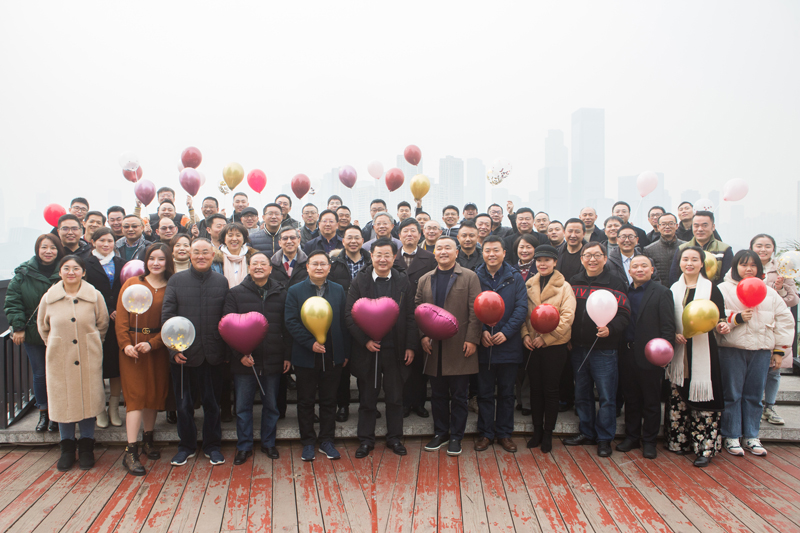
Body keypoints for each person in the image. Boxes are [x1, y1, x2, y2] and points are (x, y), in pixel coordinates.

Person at [717, 250, 794, 457]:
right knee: (732, 394)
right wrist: (736, 318)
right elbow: (716, 316)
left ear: (759, 268)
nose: (748, 269)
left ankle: (751, 435)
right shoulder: (723, 289)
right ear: (735, 267)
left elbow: (785, 321)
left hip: (761, 351)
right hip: (732, 350)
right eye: (743, 264)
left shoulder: (769, 292)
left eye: (753, 265)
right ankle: (731, 435)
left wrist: (779, 351)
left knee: (754, 395)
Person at [346, 239, 417, 458]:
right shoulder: (360, 281)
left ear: (394, 257)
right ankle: (366, 440)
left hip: (395, 349)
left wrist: (410, 346)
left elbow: (410, 316)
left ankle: (394, 438)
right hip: (368, 349)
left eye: (387, 255)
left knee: (395, 398)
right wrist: (365, 340)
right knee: (368, 398)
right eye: (378, 255)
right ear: (372, 256)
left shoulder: (403, 281)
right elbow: (349, 315)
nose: (383, 259)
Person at [162, 238, 229, 466]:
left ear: (213, 255)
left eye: (205, 252)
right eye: (196, 252)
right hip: (183, 353)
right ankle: (186, 446)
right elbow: (167, 316)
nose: (201, 256)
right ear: (189, 255)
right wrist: (172, 349)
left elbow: (226, 317)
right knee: (183, 405)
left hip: (213, 353)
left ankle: (212, 446)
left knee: (212, 404)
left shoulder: (221, 281)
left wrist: (225, 350)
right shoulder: (176, 280)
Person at [38, 255, 109, 471]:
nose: (71, 272)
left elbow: (102, 324)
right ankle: (67, 448)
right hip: (60, 358)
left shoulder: (94, 296)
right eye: (66, 268)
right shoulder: (49, 298)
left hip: (88, 356)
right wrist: (56, 345)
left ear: (83, 272)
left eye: (76, 268)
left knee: (88, 400)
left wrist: (92, 343)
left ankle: (87, 447)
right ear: (60, 272)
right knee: (63, 401)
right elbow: (43, 327)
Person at [416, 237, 482, 456]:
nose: (443, 251)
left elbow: (476, 310)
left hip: (460, 345)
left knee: (460, 395)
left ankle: (456, 436)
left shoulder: (470, 277)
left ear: (456, 252)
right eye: (439, 248)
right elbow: (418, 308)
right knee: (438, 394)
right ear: (434, 253)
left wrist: (472, 339)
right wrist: (423, 335)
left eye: (448, 248)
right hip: (434, 346)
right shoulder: (425, 279)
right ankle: (440, 433)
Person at [564, 242, 630, 457]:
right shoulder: (574, 281)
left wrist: (611, 329)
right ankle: (587, 432)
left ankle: (604, 438)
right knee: (581, 393)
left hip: (605, 350)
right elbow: (568, 312)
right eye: (588, 255)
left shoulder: (616, 282)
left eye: (597, 255)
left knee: (606, 396)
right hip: (578, 348)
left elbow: (625, 314)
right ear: (582, 259)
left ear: (605, 258)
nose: (592, 259)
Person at [223, 252, 291, 464]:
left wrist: (287, 355)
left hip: (273, 359)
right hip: (244, 362)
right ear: (248, 267)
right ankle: (244, 446)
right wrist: (239, 355)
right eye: (255, 263)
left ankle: (268, 443)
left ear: (270, 268)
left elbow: (287, 327)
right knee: (243, 407)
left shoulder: (282, 292)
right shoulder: (235, 293)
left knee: (271, 405)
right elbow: (226, 326)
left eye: (263, 263)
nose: (259, 267)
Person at [664, 246, 729, 467]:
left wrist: (722, 326)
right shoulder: (673, 289)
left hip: (704, 352)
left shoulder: (711, 289)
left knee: (704, 399)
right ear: (679, 263)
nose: (689, 263)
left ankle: (705, 448)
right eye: (685, 259)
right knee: (678, 397)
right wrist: (673, 334)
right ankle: (678, 442)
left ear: (702, 263)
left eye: (694, 259)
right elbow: (668, 319)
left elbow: (720, 317)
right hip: (679, 352)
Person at [284, 250, 350, 462]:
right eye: (315, 264)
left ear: (329, 268)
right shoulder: (295, 290)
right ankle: (307, 442)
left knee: (329, 400)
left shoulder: (338, 290)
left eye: (323, 264)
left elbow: (344, 322)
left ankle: (327, 441)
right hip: (305, 355)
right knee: (305, 401)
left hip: (332, 354)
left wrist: (344, 352)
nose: (319, 267)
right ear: (307, 267)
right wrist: (309, 343)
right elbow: (291, 321)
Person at [115, 243, 174, 475]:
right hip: (133, 348)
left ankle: (148, 438)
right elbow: (121, 319)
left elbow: (172, 321)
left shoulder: (172, 286)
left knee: (154, 393)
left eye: (161, 259)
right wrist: (125, 345)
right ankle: (130, 450)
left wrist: (154, 343)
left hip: (157, 347)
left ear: (167, 261)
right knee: (136, 396)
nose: (156, 263)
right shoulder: (132, 284)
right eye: (151, 258)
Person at [616, 255, 675, 459]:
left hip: (651, 355)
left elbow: (668, 326)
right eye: (635, 266)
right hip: (626, 353)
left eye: (644, 266)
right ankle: (631, 436)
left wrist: (664, 355)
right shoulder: (623, 292)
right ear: (629, 271)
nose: (639, 269)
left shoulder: (662, 292)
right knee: (631, 398)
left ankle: (649, 441)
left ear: (652, 270)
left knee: (651, 400)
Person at [4, 234, 65, 432]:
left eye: (53, 247)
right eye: (44, 247)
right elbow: (13, 301)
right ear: (37, 249)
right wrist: (18, 327)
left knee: (59, 374)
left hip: (60, 332)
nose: (48, 251)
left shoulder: (65, 270)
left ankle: (57, 414)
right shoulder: (23, 273)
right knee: (40, 374)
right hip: (33, 332)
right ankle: (44, 412)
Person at [473, 236, 528, 454]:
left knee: (507, 393)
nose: (492, 254)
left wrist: (506, 332)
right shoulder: (475, 276)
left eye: (496, 250)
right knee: (484, 393)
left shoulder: (515, 278)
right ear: (483, 253)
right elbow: (470, 307)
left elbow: (521, 308)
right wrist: (482, 331)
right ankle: (486, 433)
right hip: (484, 345)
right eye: (487, 250)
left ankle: (505, 434)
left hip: (508, 345)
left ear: (504, 253)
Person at [520, 244, 576, 453]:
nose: (542, 264)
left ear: (555, 262)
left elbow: (567, 317)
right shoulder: (529, 284)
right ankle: (537, 431)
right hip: (532, 345)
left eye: (547, 260)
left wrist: (546, 338)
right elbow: (523, 313)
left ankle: (548, 434)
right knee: (535, 389)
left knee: (551, 390)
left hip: (554, 346)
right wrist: (525, 335)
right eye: (539, 260)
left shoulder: (564, 287)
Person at [751, 234, 799, 426]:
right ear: (752, 247)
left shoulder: (781, 268)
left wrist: (779, 290)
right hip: (751, 325)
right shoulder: (746, 266)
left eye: (767, 246)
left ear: (773, 248)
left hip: (774, 326)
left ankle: (769, 407)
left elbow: (793, 300)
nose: (763, 249)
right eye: (759, 245)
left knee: (773, 370)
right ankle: (752, 406)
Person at [393, 218, 436, 418]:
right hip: (398, 316)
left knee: (419, 361)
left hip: (422, 314)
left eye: (413, 231)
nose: (409, 234)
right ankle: (403, 403)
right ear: (399, 235)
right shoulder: (391, 257)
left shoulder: (430, 258)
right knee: (401, 362)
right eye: (405, 231)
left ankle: (418, 403)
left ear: (420, 235)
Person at [329, 225, 371, 422]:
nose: (353, 241)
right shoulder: (334, 264)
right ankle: (343, 405)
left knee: (365, 366)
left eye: (357, 238)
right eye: (349, 238)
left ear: (362, 241)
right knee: (342, 366)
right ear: (343, 241)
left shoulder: (371, 262)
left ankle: (367, 404)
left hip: (368, 320)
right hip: (341, 320)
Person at [84, 228, 125, 428]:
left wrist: (120, 310)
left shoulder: (122, 263)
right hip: (94, 321)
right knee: (96, 366)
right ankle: (99, 409)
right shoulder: (85, 264)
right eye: (101, 240)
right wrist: (106, 310)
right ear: (93, 242)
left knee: (116, 366)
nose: (106, 244)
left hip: (118, 321)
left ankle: (114, 408)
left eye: (110, 240)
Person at [668, 211, 733, 285]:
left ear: (713, 227)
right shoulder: (682, 249)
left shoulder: (724, 249)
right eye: (696, 226)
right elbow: (674, 276)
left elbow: (726, 278)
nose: (700, 229)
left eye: (704, 225)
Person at [643, 213, 685, 287]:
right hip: (659, 290)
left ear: (676, 226)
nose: (667, 227)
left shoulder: (685, 247)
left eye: (671, 224)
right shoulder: (648, 250)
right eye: (663, 224)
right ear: (658, 227)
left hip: (682, 288)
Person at [219, 222, 256, 288]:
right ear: (224, 239)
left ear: (244, 238)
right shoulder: (216, 260)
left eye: (238, 235)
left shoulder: (253, 258)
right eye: (230, 235)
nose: (234, 239)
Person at [557, 218, 586, 285]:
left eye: (577, 232)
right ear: (564, 232)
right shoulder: (557, 253)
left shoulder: (590, 255)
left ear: (584, 234)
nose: (573, 235)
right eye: (570, 231)